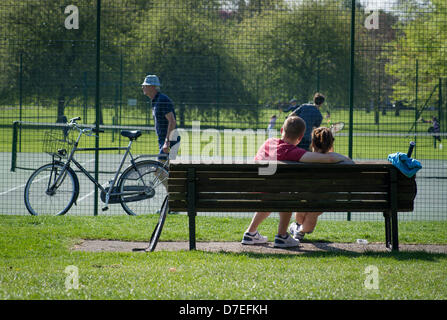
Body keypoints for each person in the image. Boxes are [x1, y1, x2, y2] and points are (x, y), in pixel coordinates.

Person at [241, 116, 353, 248]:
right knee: (287, 195)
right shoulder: (293, 152)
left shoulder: (268, 142)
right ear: (300, 138)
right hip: (278, 195)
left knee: (274, 193)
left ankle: (250, 233)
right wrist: (346, 159)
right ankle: (282, 236)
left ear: (282, 129)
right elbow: (328, 159)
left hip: (257, 193)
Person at [289, 127, 354, 241]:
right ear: (331, 143)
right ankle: (300, 230)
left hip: (304, 197)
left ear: (312, 143)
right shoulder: (339, 161)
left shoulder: (305, 158)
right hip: (327, 199)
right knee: (313, 211)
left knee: (304, 203)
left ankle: (298, 227)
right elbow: (352, 163)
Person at [141, 75, 180, 160]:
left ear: (152, 87)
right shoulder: (155, 100)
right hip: (164, 140)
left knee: (159, 170)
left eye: (145, 85)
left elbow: (172, 121)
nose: (142, 87)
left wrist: (167, 142)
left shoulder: (162, 100)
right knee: (165, 171)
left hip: (170, 141)